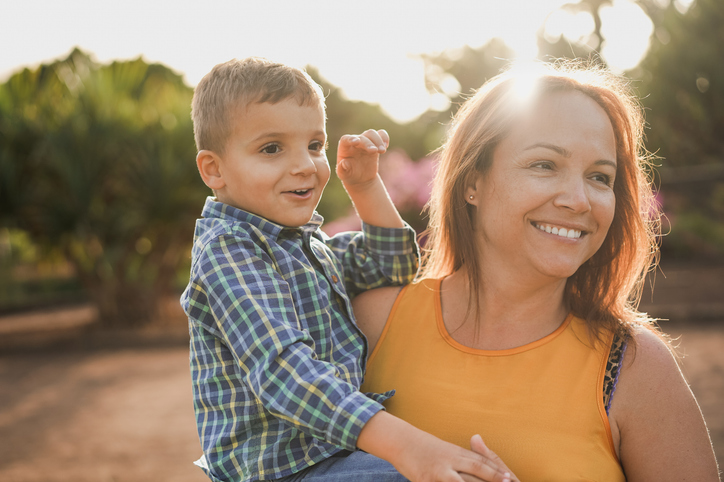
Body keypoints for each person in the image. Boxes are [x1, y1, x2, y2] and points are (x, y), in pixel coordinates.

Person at [355, 62, 721, 481]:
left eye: (600, 177)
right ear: (472, 182)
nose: (579, 200)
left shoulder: (637, 368)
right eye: (545, 165)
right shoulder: (372, 324)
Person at [180, 57, 513, 482]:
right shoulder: (229, 250)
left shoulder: (306, 244)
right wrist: (410, 445)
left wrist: (365, 185)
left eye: (315, 145)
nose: (306, 165)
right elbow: (287, 375)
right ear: (214, 169)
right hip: (279, 468)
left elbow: (392, 265)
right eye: (271, 148)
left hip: (332, 454)